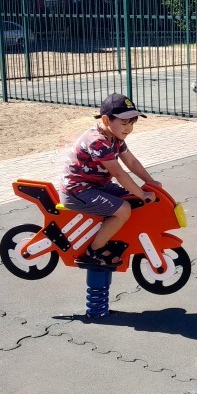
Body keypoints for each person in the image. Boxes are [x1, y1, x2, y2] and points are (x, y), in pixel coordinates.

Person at [60, 93, 160, 266]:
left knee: (132, 200)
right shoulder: (97, 141)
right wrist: (142, 194)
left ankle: (114, 236)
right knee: (124, 209)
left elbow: (132, 162)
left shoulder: (116, 138)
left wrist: (151, 182)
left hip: (98, 186)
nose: (128, 128)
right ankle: (94, 250)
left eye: (132, 123)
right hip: (77, 191)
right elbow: (120, 173)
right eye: (124, 123)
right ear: (106, 120)